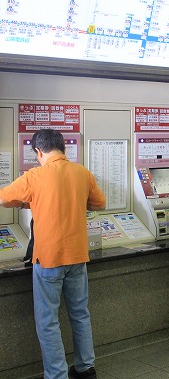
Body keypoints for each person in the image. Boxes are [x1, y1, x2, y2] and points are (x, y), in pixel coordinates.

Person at [0, 129, 106, 379]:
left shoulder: (35, 176)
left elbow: (4, 199)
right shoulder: (81, 172)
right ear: (63, 148)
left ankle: (56, 374)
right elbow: (99, 203)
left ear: (38, 151)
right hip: (78, 256)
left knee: (48, 321)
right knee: (80, 314)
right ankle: (85, 368)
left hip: (48, 259)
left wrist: (29, 201)